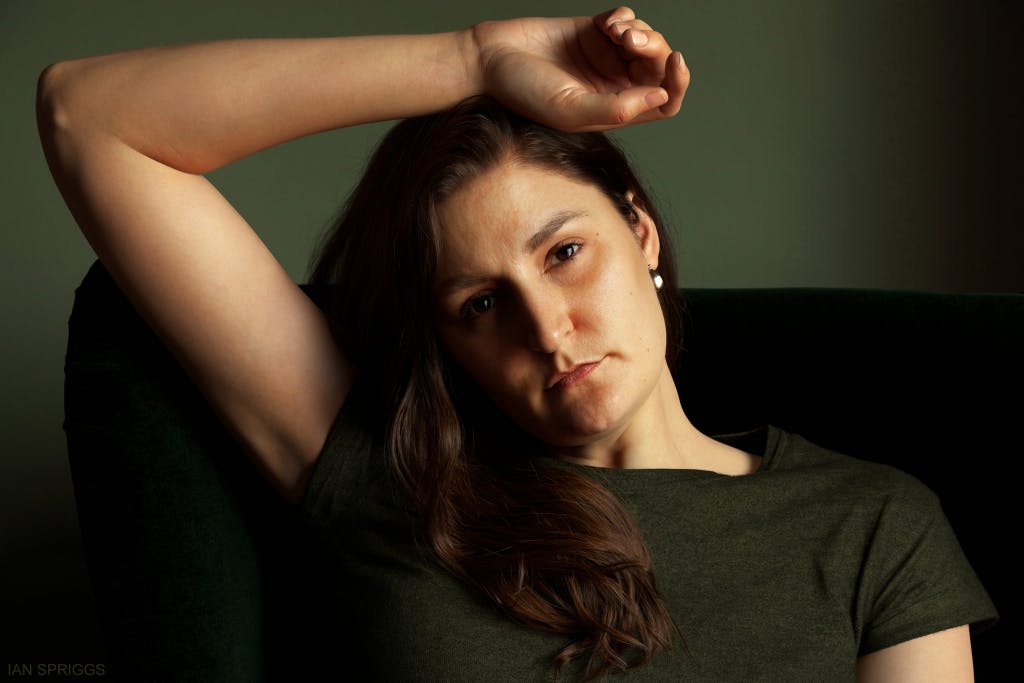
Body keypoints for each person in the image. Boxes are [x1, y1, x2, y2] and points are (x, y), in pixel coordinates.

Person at [37, 6, 995, 681]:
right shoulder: (390, 478)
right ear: (447, 341)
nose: (546, 327)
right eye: (483, 303)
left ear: (641, 231)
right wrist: (474, 56)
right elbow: (90, 117)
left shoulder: (870, 525)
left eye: (565, 253)